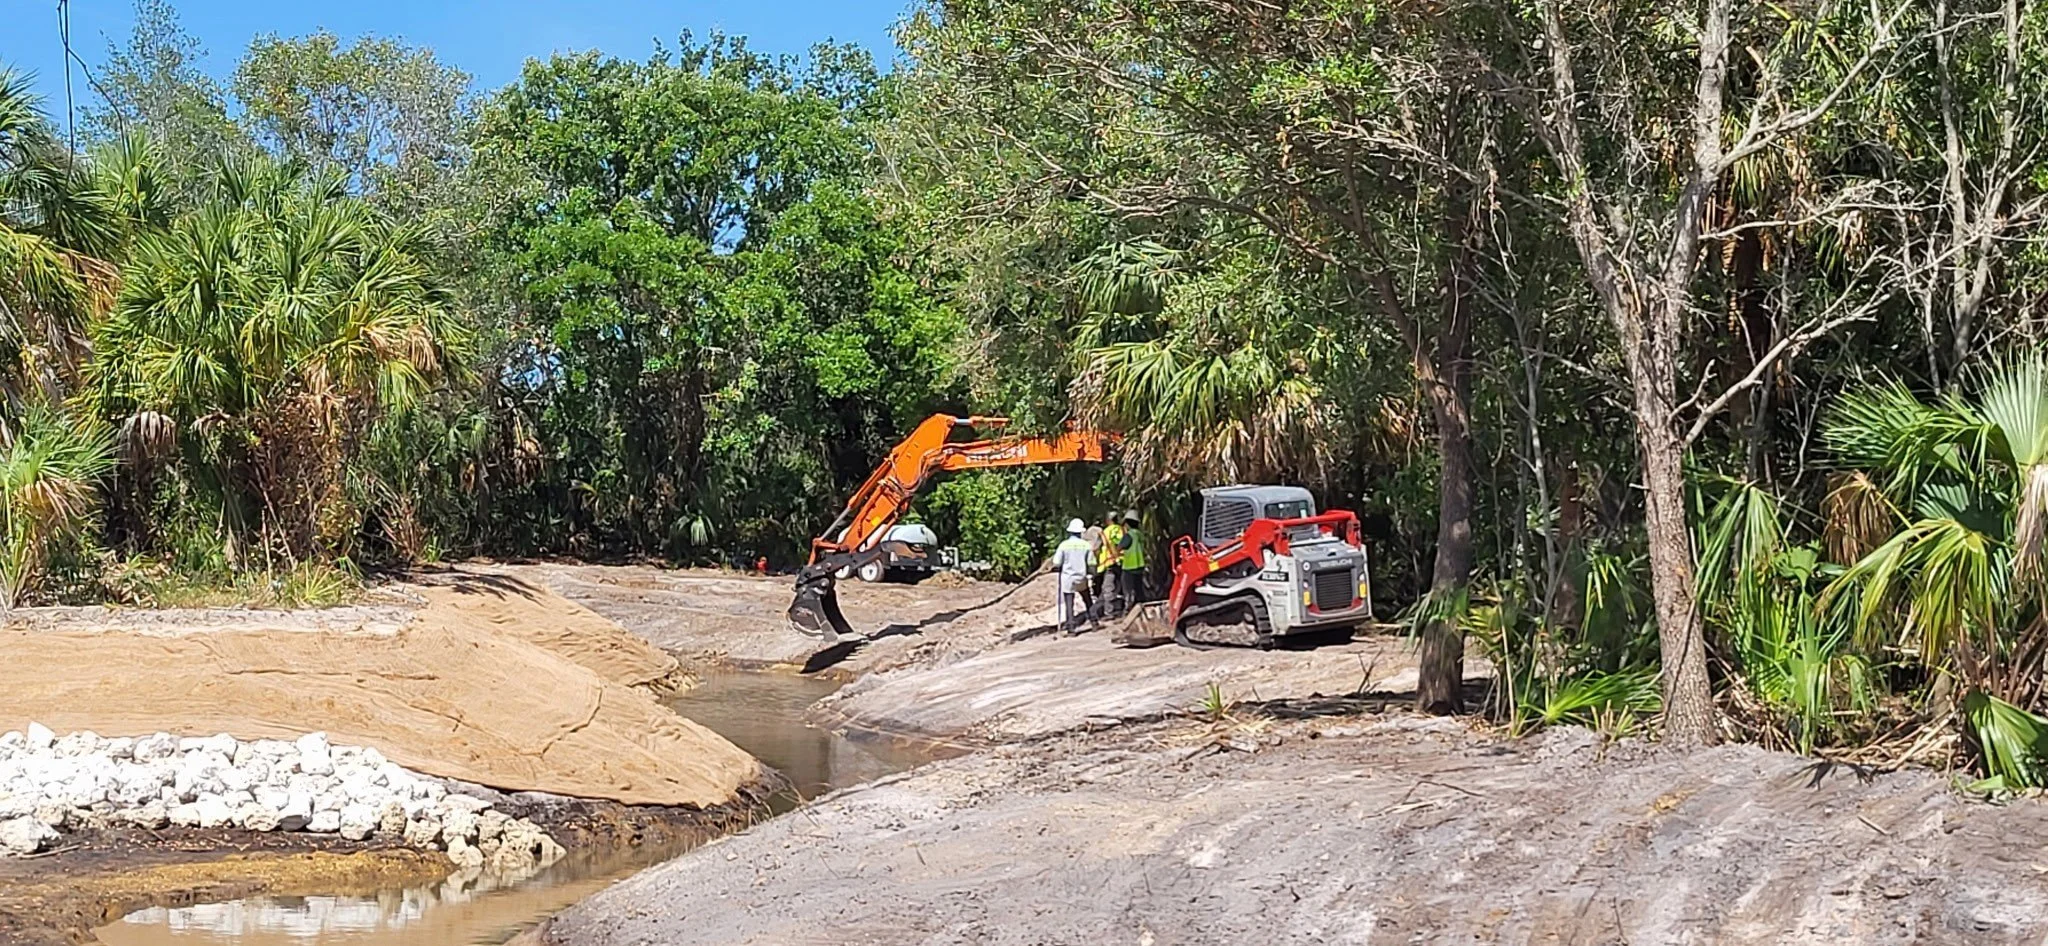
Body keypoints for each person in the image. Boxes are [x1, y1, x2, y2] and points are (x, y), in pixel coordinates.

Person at [1052, 518, 1096, 633]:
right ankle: (1094, 622)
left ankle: (1071, 628)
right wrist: (1092, 573)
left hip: (1068, 578)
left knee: (1069, 603)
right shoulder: (1086, 545)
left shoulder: (1064, 545)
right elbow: (1092, 562)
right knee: (1087, 599)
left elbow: (1056, 562)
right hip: (1081, 576)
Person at [1097, 511, 1128, 619]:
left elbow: (1109, 544)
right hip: (1122, 561)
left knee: (1108, 588)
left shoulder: (1107, 531)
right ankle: (1123, 609)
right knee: (1121, 587)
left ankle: (1110, 612)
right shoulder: (1122, 530)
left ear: (1108, 520)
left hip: (1111, 562)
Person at [1118, 509, 1146, 607]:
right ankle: (1141, 605)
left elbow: (1120, 547)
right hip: (1140, 565)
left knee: (1128, 590)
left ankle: (1128, 608)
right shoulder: (1140, 534)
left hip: (1129, 566)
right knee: (1139, 588)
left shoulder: (1129, 535)